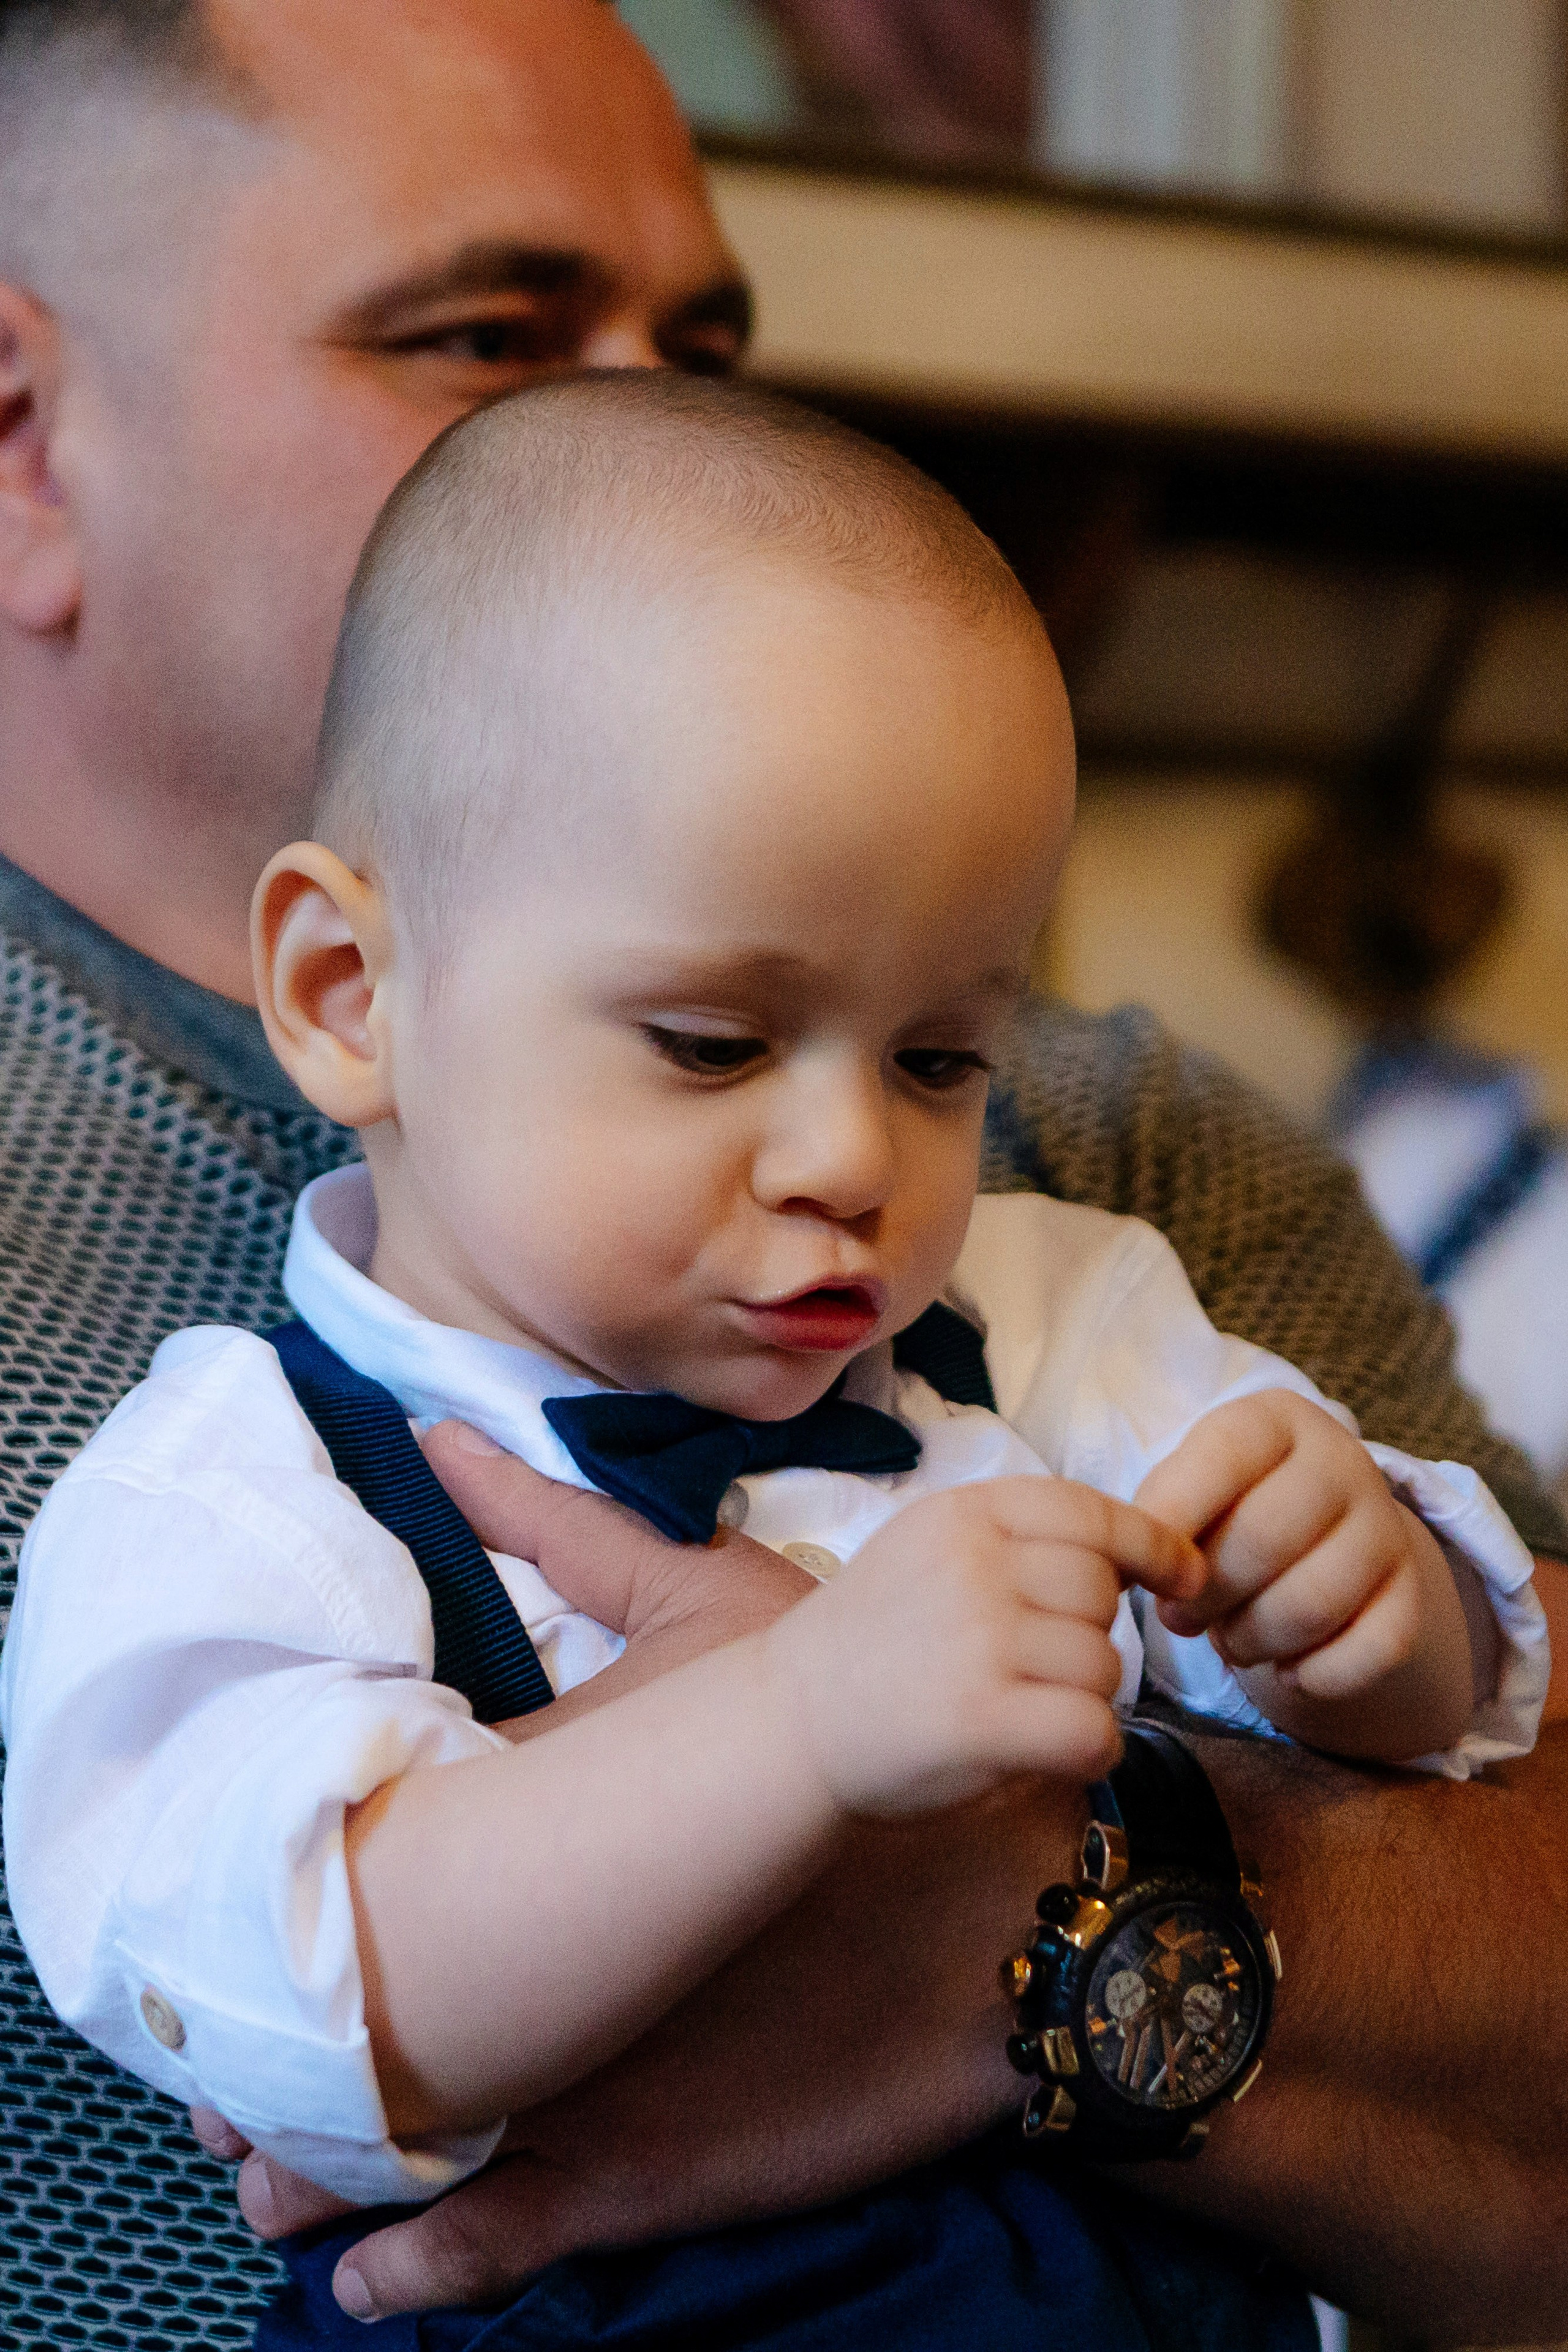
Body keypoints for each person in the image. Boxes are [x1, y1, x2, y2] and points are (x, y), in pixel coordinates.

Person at [0, 4, 1563, 2347]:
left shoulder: (1087, 1200)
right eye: (491, 337)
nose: (850, 1148)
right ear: (21, 441)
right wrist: (812, 1754)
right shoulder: (221, 1461)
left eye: (708, 341)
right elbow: (273, 1988)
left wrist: (1039, 1910)